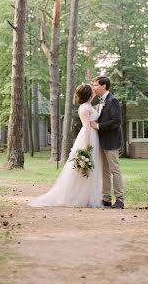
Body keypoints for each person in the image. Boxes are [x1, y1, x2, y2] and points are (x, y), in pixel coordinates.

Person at [29, 83, 102, 208]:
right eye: (92, 90)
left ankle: (88, 196)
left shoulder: (89, 105)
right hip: (88, 137)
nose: (94, 91)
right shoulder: (85, 107)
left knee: (91, 168)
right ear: (89, 94)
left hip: (93, 136)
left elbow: (93, 115)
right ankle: (78, 197)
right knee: (84, 168)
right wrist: (86, 146)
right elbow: (87, 127)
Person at [90, 75, 125, 209]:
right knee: (104, 171)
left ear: (104, 86)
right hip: (102, 141)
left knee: (114, 170)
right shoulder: (100, 103)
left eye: (96, 85)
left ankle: (120, 200)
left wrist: (98, 126)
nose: (94, 88)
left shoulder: (113, 100)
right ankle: (106, 198)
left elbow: (116, 122)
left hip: (112, 141)